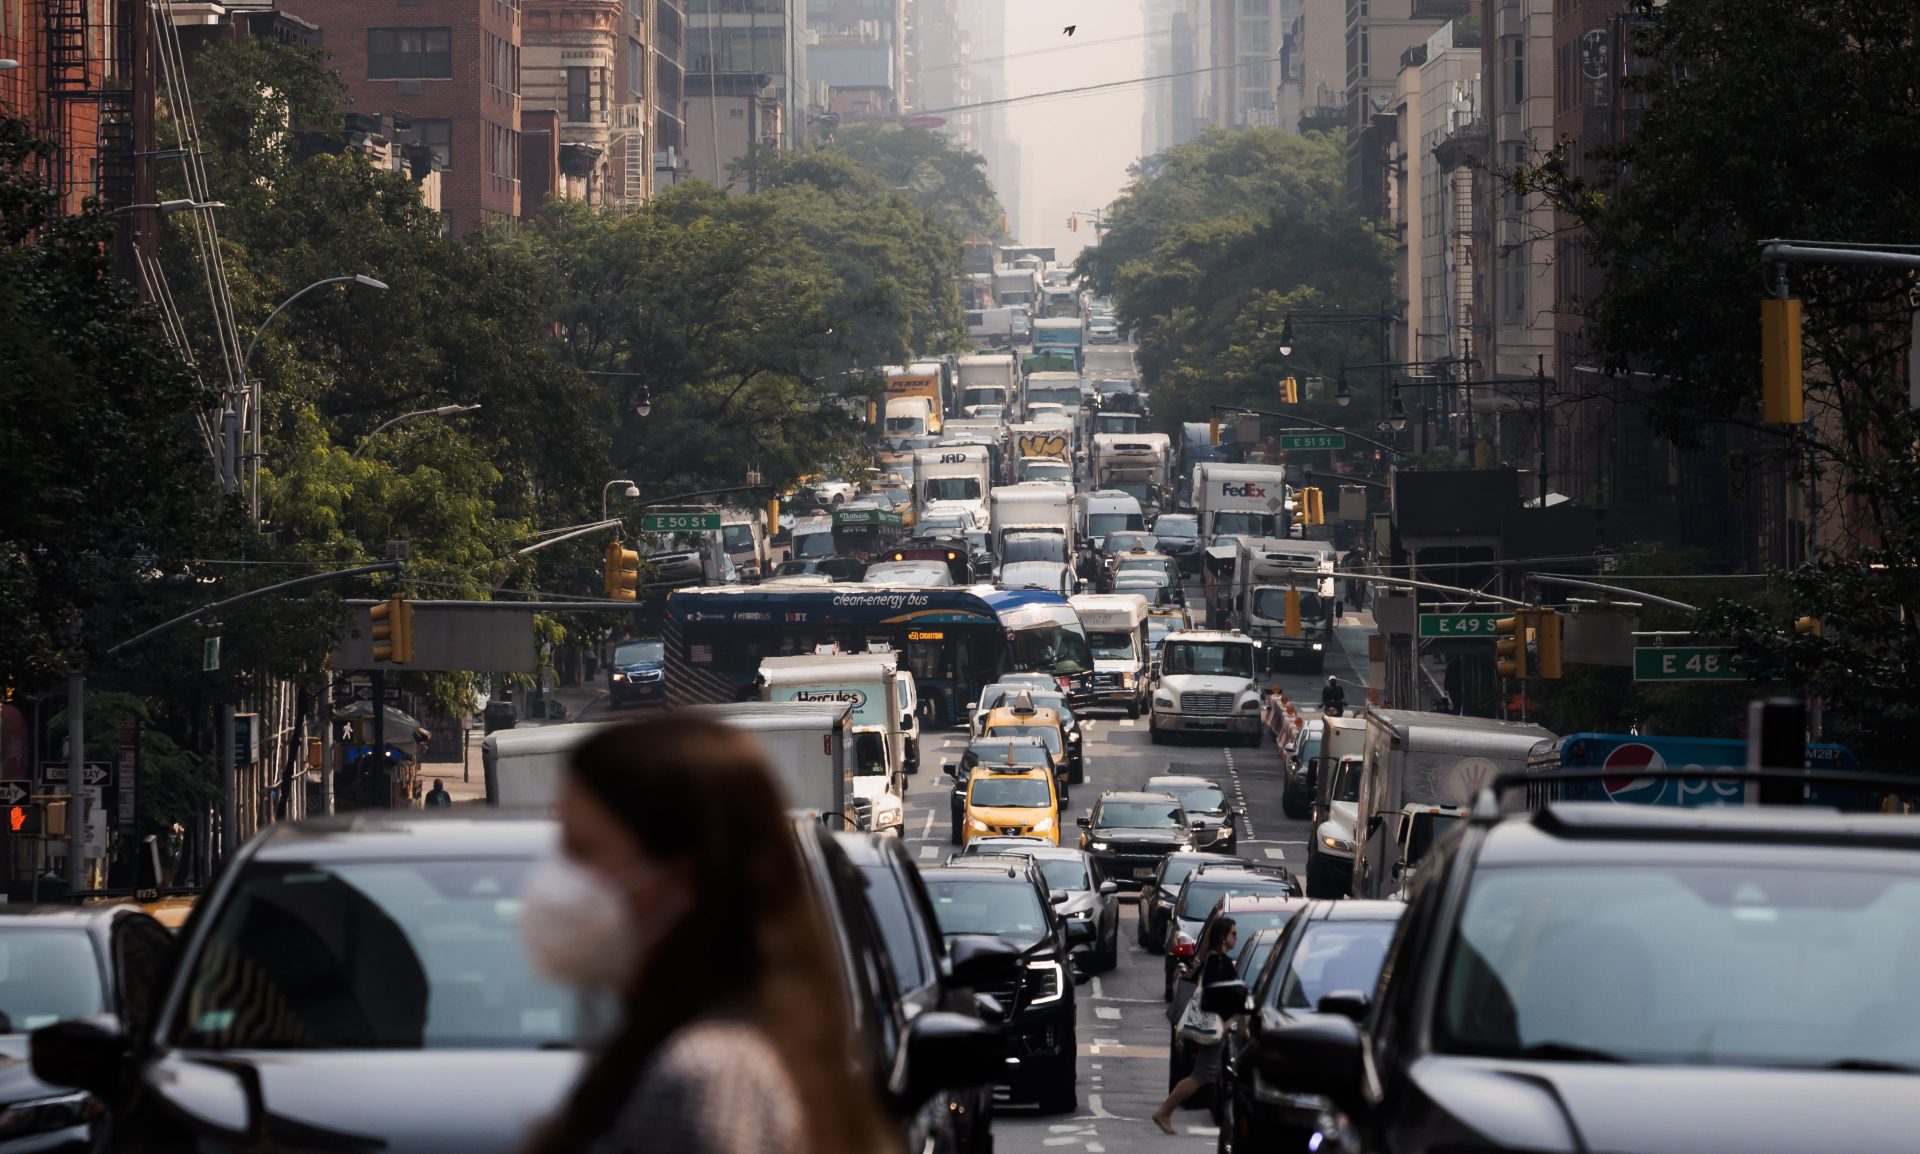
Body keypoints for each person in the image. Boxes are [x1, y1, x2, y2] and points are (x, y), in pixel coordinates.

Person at [521, 718, 893, 1154]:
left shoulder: (708, 1078)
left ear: (679, 876)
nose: (556, 880)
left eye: (582, 850)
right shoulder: (736, 1044)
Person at [1153, 916, 1238, 1135]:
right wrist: (1227, 1019)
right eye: (1233, 933)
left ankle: (1166, 1111)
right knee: (1201, 1076)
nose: (1235, 938)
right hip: (1214, 1026)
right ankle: (1164, 1111)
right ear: (1222, 936)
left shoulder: (1212, 958)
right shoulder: (1219, 961)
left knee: (1208, 1075)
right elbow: (1215, 993)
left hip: (1215, 1025)